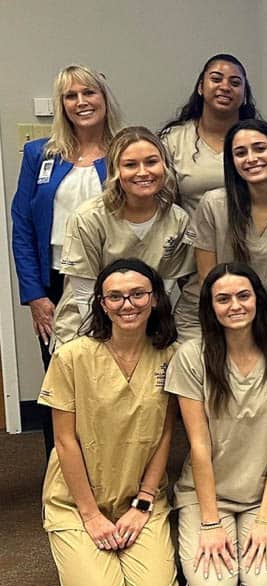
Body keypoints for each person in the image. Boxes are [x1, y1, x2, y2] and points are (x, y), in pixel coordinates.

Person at [38, 258, 179, 586]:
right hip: (77, 499)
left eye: (137, 294)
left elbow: (165, 433)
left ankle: (116, 548)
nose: (127, 304)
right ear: (102, 303)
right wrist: (91, 516)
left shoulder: (171, 356)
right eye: (114, 297)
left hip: (138, 495)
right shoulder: (71, 357)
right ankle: (84, 545)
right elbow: (64, 442)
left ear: (155, 299)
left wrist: (143, 504)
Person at [167, 263, 267, 586]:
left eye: (244, 295)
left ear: (258, 299)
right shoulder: (191, 357)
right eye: (222, 299)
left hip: (262, 493)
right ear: (210, 307)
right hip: (207, 495)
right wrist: (209, 523)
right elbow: (198, 443)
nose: (235, 305)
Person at [11, 64, 122, 455]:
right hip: (56, 282)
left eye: (88, 93)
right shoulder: (39, 154)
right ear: (62, 105)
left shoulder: (126, 151)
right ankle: (61, 478)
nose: (80, 102)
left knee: (113, 382)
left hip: (115, 284)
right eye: (70, 96)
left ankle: (113, 474)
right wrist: (36, 296)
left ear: (104, 98)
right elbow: (22, 226)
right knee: (60, 385)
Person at [174, 119, 267, 341]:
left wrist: (261, 329)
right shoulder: (213, 204)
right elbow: (206, 279)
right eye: (240, 153)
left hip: (262, 322)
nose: (251, 159)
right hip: (204, 320)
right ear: (232, 163)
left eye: (260, 149)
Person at [51, 126, 194, 347]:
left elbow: (164, 291)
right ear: (115, 171)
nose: (143, 172)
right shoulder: (88, 219)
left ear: (164, 166)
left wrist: (145, 340)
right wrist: (110, 347)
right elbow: (84, 296)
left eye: (151, 162)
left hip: (145, 329)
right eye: (130, 165)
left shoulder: (177, 220)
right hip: (86, 328)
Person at [161, 53, 259, 214]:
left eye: (235, 83)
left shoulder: (259, 140)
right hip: (193, 237)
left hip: (251, 237)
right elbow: (164, 205)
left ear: (244, 95)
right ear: (201, 87)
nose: (225, 87)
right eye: (216, 79)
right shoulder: (173, 140)